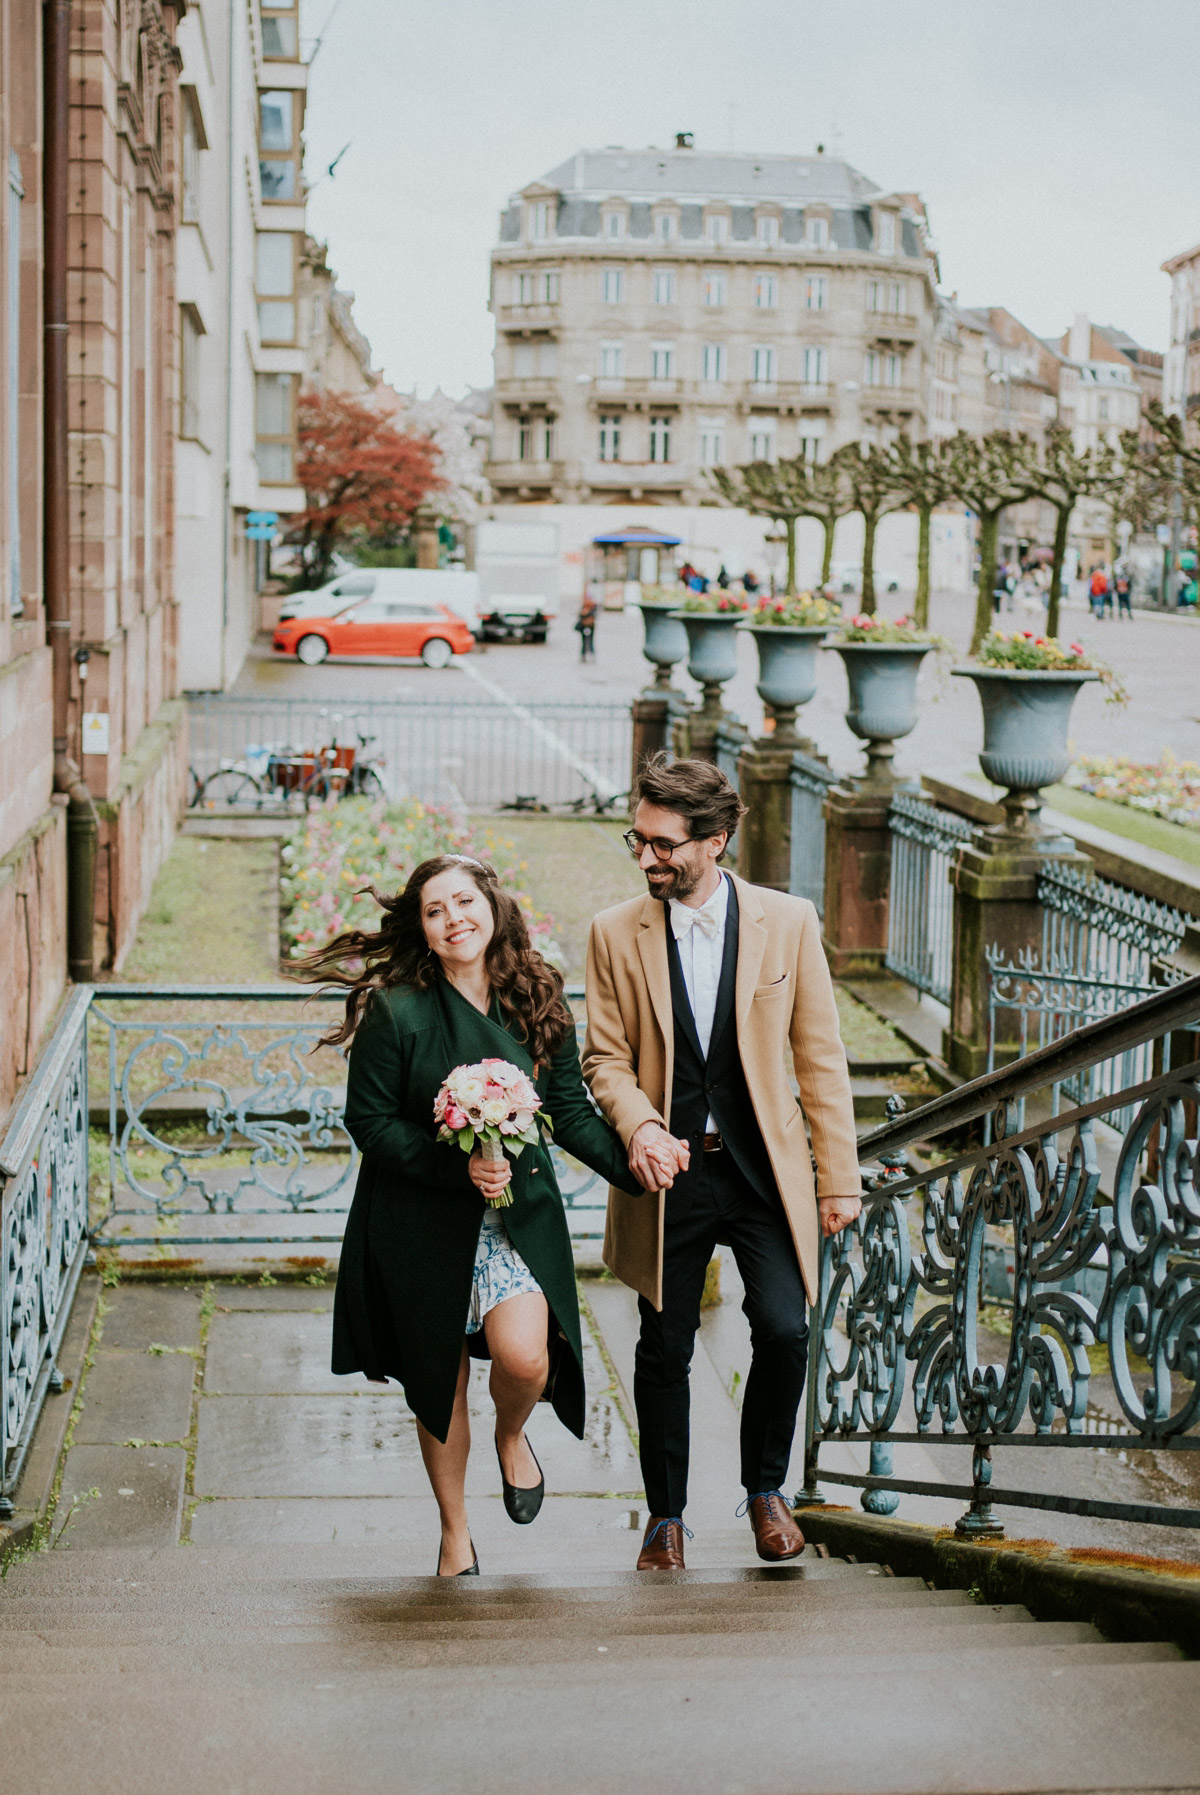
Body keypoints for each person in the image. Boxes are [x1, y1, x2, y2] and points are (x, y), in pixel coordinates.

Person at [297, 855, 638, 1576]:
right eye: (435, 909)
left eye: (464, 901)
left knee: (525, 1356)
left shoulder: (538, 994)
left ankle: (512, 1434)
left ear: (492, 904)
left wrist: (636, 1164)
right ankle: (455, 1530)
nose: (454, 918)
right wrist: (454, 1164)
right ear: (421, 928)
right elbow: (370, 1120)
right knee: (437, 1378)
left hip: (513, 1218)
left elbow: (570, 1108)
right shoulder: (398, 1008)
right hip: (418, 1219)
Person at [583, 755, 861, 1572]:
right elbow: (604, 1059)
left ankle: (765, 1490)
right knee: (662, 1346)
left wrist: (837, 1175)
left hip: (764, 1171)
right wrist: (639, 1128)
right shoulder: (612, 932)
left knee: (784, 1327)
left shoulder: (790, 920)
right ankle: (664, 1517)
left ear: (716, 840)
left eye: (664, 844)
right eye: (638, 839)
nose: (646, 858)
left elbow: (821, 1056)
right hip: (667, 1178)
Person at [574, 594, 597, 661]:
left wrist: (586, 613)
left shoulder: (593, 607)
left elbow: (594, 616)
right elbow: (580, 616)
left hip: (590, 626)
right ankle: (583, 655)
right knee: (583, 641)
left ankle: (591, 654)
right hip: (584, 626)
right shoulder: (583, 606)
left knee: (591, 641)